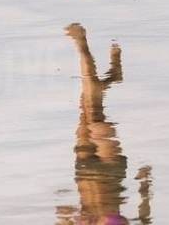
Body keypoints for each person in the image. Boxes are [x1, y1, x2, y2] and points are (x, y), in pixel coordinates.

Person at [58, 23, 153, 224]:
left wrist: (67, 218)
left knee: (85, 109)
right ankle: (81, 42)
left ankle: (113, 76)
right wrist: (144, 186)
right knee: (93, 110)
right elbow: (145, 220)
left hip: (84, 172)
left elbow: (63, 217)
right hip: (109, 171)